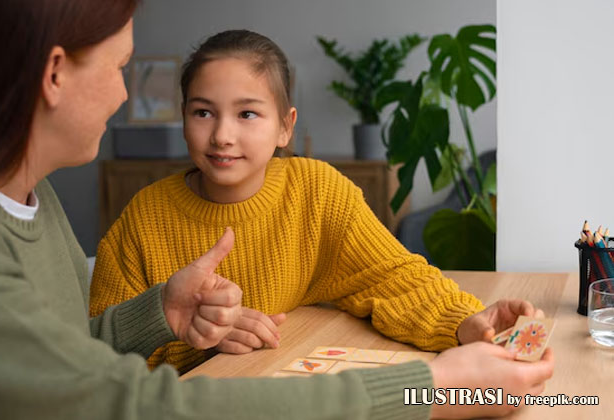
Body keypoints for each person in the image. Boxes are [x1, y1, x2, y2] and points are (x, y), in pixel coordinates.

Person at [0, 1, 553, 419]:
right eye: (121, 67)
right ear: (55, 74)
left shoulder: (32, 197)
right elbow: (123, 404)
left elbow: (57, 369)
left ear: (283, 126)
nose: (124, 92)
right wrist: (427, 392)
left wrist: (159, 313)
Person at [89, 29, 544, 375]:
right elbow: (96, 359)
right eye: (202, 112)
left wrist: (468, 322)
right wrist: (199, 341)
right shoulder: (143, 218)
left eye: (247, 113)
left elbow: (394, 278)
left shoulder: (318, 192)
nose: (222, 135)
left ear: (285, 127)